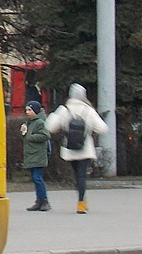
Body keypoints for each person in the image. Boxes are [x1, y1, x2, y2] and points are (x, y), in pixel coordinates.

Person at [45, 84, 107, 214]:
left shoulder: (64, 109)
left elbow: (50, 127)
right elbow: (102, 128)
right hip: (85, 148)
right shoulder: (88, 110)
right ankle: (81, 203)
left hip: (70, 148)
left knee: (76, 175)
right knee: (82, 175)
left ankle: (82, 198)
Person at [21, 100, 51, 211]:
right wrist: (24, 133)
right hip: (32, 154)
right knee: (35, 178)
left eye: (30, 110)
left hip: (38, 155)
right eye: (26, 110)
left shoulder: (39, 122)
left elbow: (45, 135)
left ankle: (44, 201)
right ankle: (39, 201)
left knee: (37, 178)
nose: (27, 112)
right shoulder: (30, 122)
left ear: (36, 110)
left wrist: (28, 136)